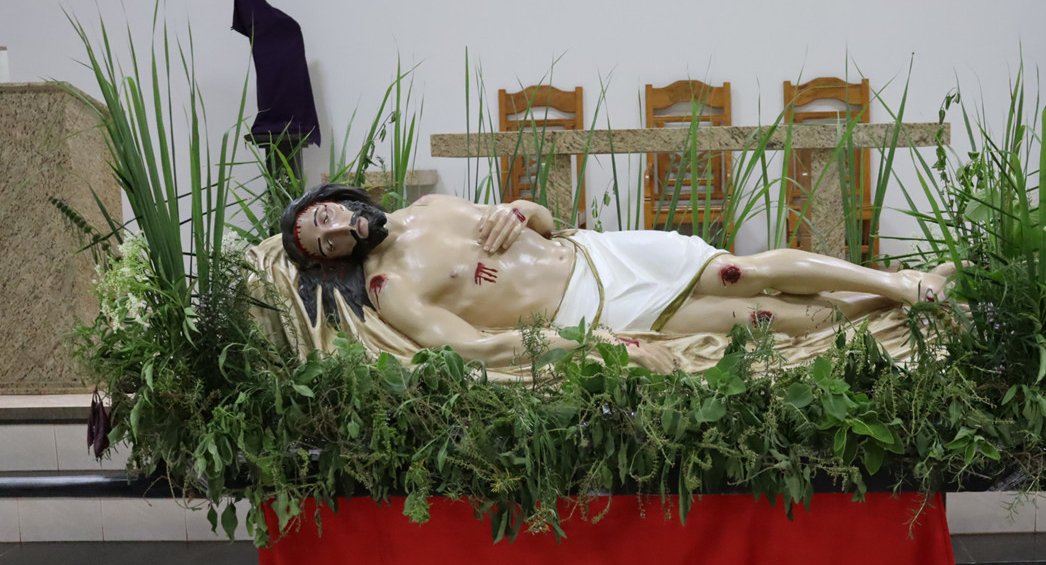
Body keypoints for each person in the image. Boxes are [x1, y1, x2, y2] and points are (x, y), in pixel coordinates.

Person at [272, 184, 951, 374]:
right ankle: (886, 307)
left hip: (598, 253)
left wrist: (523, 209)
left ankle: (903, 286)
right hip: (588, 308)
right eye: (326, 243)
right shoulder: (391, 290)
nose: (340, 229)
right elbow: (475, 348)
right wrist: (592, 344)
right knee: (756, 317)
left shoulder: (429, 206)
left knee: (738, 270)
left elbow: (544, 222)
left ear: (333, 198)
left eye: (326, 216)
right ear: (331, 262)